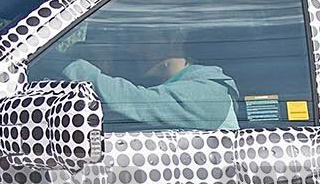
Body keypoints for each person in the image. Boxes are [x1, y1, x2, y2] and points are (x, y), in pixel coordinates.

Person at [56, 24, 240, 130]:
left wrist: (58, 63)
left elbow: (131, 101)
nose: (130, 50)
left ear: (174, 38)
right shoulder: (160, 86)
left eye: (136, 38)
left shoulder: (209, 94)